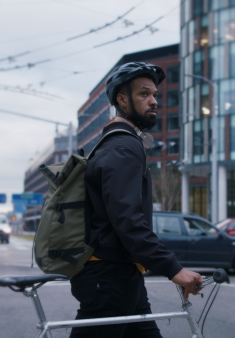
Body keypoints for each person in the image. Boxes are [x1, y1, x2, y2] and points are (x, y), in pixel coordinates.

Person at [69, 62, 203, 338]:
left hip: (120, 275)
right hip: (108, 278)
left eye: (154, 94)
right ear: (122, 99)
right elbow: (128, 220)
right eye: (144, 94)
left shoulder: (116, 144)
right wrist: (172, 268)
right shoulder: (124, 147)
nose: (154, 101)